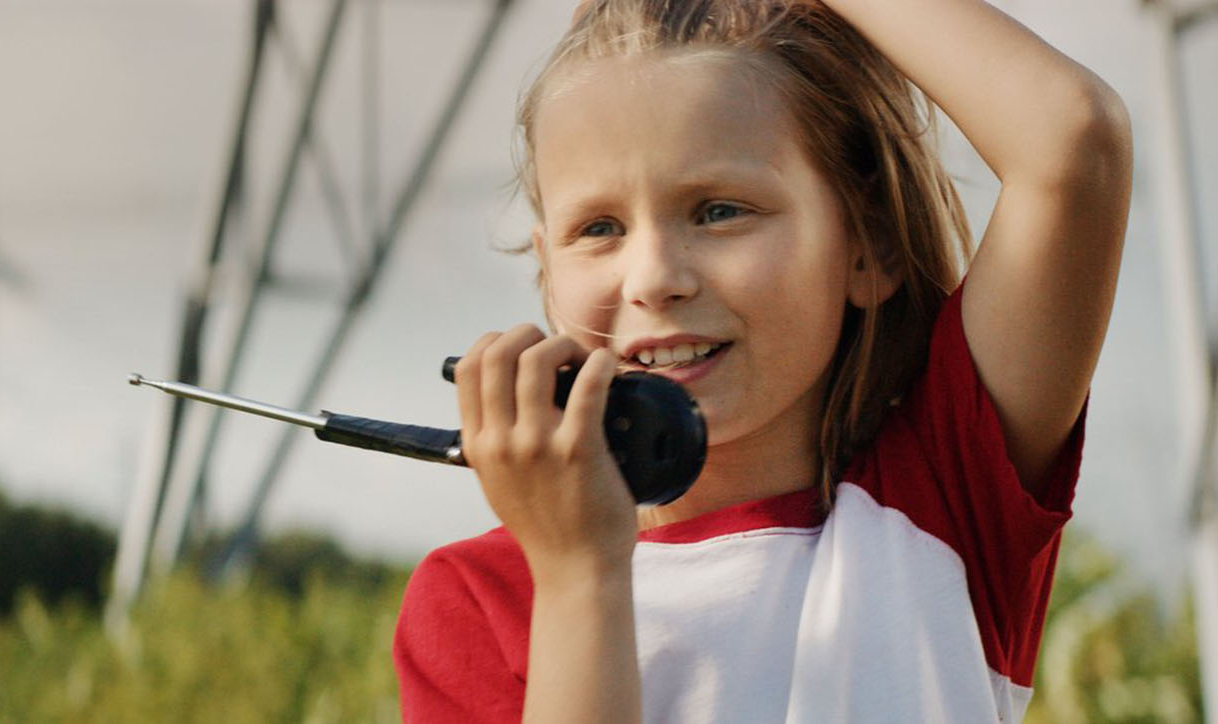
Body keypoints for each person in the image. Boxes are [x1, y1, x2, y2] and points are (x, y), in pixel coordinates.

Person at [395, 0, 1131, 720]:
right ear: (547, 269)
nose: (652, 278)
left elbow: (1072, 139)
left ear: (869, 243)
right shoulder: (478, 597)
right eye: (599, 228)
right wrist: (578, 575)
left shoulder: (946, 491)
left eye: (719, 211)